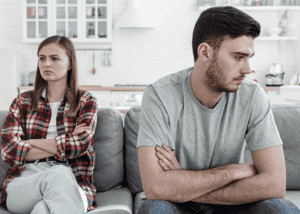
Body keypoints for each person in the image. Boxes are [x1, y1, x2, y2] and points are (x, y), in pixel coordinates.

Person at [137, 6, 300, 214]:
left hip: (231, 205)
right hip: (176, 206)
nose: (248, 69)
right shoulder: (160, 95)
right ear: (205, 52)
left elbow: (274, 184)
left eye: (249, 57)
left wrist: (181, 184)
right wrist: (234, 171)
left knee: (282, 209)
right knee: (154, 209)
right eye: (238, 57)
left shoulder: (252, 96)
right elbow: (156, 187)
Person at [0, 35, 98, 214]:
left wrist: (30, 143)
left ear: (69, 64)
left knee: (42, 209)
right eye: (42, 58)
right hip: (26, 181)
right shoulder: (22, 101)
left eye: (54, 58)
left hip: (74, 182)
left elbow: (81, 144)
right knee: (57, 174)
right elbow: (8, 150)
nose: (46, 64)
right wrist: (66, 142)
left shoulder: (85, 101)